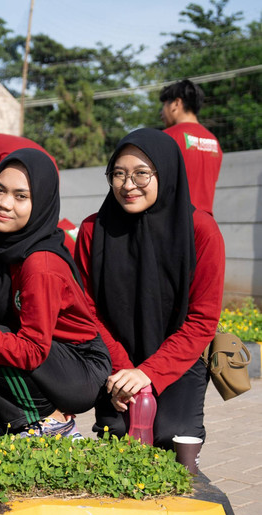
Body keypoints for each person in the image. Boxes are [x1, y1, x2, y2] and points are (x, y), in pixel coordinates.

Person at [0, 149, 111, 437]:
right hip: (24, 360)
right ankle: (28, 420)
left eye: (20, 196)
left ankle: (51, 420)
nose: (4, 203)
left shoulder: (41, 264)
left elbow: (34, 350)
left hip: (76, 369)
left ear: (41, 202)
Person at [74, 129, 224, 465]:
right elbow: (86, 312)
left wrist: (149, 373)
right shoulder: (93, 230)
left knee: (171, 438)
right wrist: (124, 369)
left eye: (141, 173)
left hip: (178, 358)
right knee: (119, 434)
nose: (128, 185)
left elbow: (202, 320)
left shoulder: (200, 231)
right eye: (118, 173)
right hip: (115, 359)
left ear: (166, 172)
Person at [160, 79, 222, 216]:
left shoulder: (167, 138)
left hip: (174, 219)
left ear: (176, 103)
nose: (161, 113)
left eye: (164, 105)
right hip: (205, 221)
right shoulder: (214, 141)